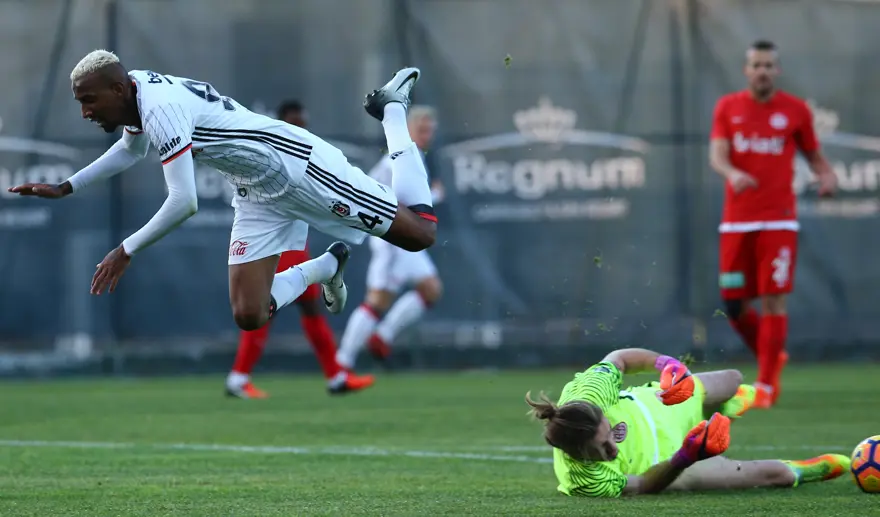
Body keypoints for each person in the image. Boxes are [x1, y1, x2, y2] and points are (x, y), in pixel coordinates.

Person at [7, 50, 437, 338]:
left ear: (117, 90)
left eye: (88, 100)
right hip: (255, 189)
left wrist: (126, 249)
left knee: (420, 233)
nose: (85, 111)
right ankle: (324, 267)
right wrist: (67, 186)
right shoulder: (135, 91)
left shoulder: (161, 108)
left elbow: (184, 202)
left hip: (297, 166)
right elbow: (130, 148)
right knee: (249, 314)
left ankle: (393, 109)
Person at [526, 347, 850, 497]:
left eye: (609, 434)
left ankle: (724, 407)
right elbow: (640, 486)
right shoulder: (583, 481)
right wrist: (684, 458)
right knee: (772, 475)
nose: (612, 448)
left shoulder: (589, 392)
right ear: (577, 456)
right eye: (602, 449)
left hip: (662, 404)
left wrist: (666, 364)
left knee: (734, 378)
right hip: (669, 462)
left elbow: (620, 358)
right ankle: (802, 469)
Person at [709, 40, 838, 408]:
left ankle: (766, 384)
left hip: (778, 221)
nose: (762, 70)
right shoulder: (728, 107)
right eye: (756, 65)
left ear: (776, 71)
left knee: (773, 299)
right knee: (734, 304)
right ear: (746, 70)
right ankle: (772, 354)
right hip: (736, 222)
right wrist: (733, 173)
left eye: (769, 65)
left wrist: (827, 176)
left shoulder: (795, 110)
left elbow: (816, 157)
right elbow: (717, 156)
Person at [226, 100, 374, 399]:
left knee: (290, 309)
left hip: (293, 241)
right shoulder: (274, 151)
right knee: (267, 308)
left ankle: (333, 376)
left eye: (302, 123)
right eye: (294, 122)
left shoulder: (306, 149)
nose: (300, 128)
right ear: (281, 123)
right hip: (278, 246)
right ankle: (242, 377)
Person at [336, 106, 444, 369]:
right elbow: (373, 188)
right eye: (421, 129)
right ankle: (342, 361)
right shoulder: (396, 159)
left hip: (409, 239)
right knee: (376, 301)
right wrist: (436, 195)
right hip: (393, 240)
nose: (426, 134)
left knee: (431, 290)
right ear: (407, 129)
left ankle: (381, 337)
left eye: (429, 130)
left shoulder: (415, 155)